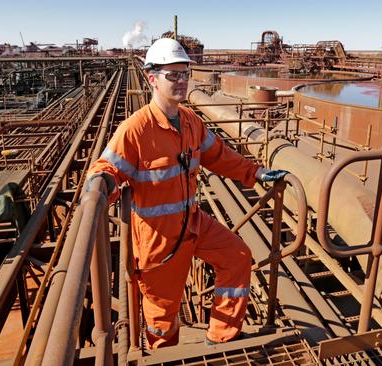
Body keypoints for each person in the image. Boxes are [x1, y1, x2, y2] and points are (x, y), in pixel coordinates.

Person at [86, 37, 288, 348]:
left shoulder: (190, 121)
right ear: (153, 78)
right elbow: (106, 169)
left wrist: (256, 172)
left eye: (185, 74)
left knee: (237, 257)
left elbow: (219, 154)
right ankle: (165, 356)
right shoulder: (136, 129)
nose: (181, 81)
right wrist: (100, 188)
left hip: (193, 222)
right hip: (158, 241)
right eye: (173, 75)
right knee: (162, 318)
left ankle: (221, 338)